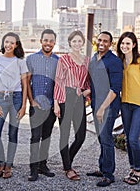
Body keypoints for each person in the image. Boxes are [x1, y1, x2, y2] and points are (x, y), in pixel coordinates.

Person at [87, 31, 123, 187]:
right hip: (96, 105)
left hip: (108, 107)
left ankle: (109, 175)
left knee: (106, 139)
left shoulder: (114, 62)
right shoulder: (94, 59)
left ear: (110, 44)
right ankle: (102, 168)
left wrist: (102, 108)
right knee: (102, 138)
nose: (102, 43)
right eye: (100, 40)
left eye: (105, 41)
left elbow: (115, 89)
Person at [53, 30, 91, 181]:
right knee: (64, 135)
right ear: (70, 43)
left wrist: (87, 91)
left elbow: (88, 81)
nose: (77, 44)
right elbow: (58, 81)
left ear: (83, 43)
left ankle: (67, 159)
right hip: (65, 97)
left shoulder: (87, 60)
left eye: (79, 41)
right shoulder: (63, 60)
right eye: (74, 41)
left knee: (81, 135)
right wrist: (56, 103)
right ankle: (68, 168)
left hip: (79, 97)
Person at [0, 32, 28, 179]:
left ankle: (8, 166)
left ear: (16, 45)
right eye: (6, 42)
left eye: (12, 43)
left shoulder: (20, 62)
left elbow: (25, 85)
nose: (9, 45)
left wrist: (24, 105)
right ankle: (1, 164)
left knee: (13, 133)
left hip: (16, 99)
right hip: (0, 97)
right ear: (3, 43)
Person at [116, 31, 140, 185]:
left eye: (128, 43)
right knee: (128, 140)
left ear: (134, 45)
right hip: (125, 104)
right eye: (122, 43)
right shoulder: (119, 62)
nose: (125, 46)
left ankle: (138, 170)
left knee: (133, 138)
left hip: (139, 104)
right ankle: (132, 168)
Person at [26, 29, 59, 181]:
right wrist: (31, 101)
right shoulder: (31, 59)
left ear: (54, 43)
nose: (48, 43)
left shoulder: (58, 61)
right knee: (35, 137)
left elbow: (59, 84)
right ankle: (33, 169)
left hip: (51, 106)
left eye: (51, 41)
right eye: (46, 40)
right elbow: (26, 82)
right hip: (36, 105)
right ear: (41, 41)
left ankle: (42, 165)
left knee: (46, 136)